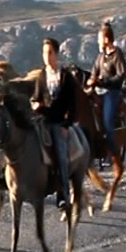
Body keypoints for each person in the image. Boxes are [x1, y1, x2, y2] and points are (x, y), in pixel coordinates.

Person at [30, 37, 79, 210]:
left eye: (50, 52)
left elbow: (73, 104)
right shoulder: (42, 75)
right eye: (44, 53)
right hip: (43, 121)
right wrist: (35, 104)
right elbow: (36, 97)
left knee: (61, 155)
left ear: (56, 54)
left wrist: (66, 125)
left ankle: (63, 194)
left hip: (58, 123)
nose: (47, 56)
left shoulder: (65, 76)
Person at [87, 21, 126, 161]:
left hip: (112, 92)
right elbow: (94, 71)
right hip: (98, 91)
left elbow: (120, 75)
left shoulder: (117, 54)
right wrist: (91, 80)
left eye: (99, 39)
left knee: (108, 122)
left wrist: (103, 82)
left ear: (106, 39)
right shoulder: (100, 56)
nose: (98, 41)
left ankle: (114, 153)